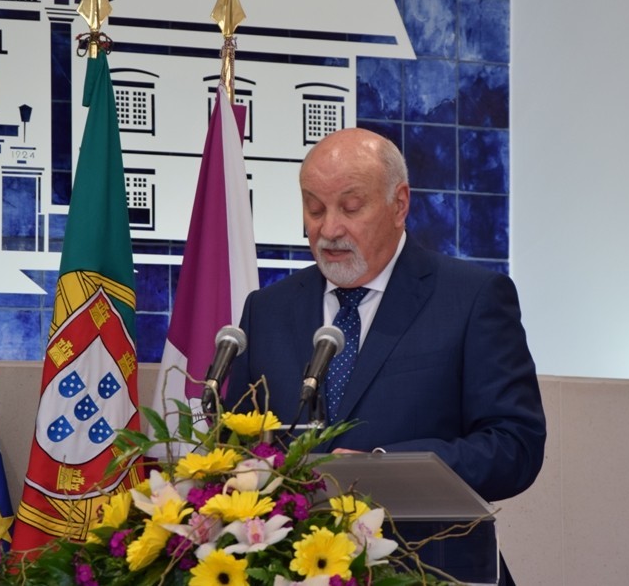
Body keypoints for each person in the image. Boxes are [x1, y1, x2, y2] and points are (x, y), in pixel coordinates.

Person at [224, 128, 546, 584]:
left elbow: (515, 447)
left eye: (351, 207)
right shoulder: (267, 311)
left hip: (430, 571)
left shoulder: (472, 298)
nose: (329, 229)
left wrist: (384, 467)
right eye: (314, 208)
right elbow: (237, 447)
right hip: (293, 570)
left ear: (399, 204)